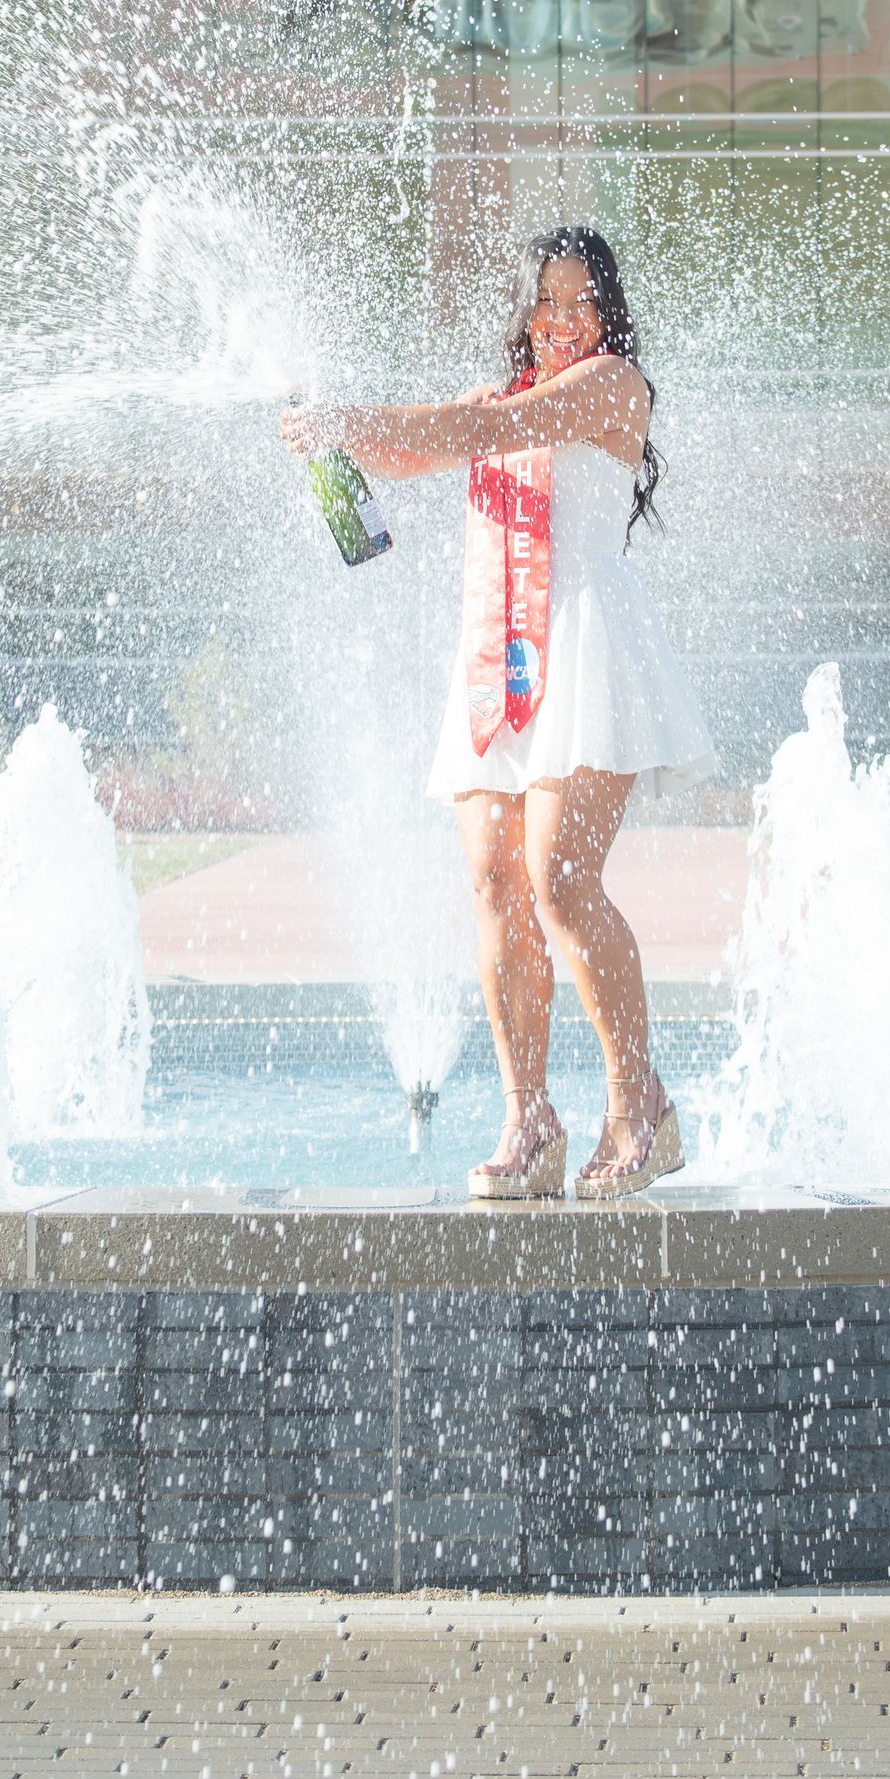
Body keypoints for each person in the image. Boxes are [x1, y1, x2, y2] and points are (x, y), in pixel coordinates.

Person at [279, 224, 714, 1201]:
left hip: (587, 645)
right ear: (522, 313)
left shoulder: (609, 388)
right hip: (499, 655)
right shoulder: (502, 403)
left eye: (582, 301)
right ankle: (530, 1121)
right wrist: (327, 434)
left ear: (609, 312)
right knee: (493, 883)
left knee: (562, 881)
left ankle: (637, 1102)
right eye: (547, 302)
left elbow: (475, 435)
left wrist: (356, 418)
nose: (564, 321)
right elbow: (413, 446)